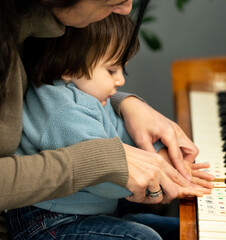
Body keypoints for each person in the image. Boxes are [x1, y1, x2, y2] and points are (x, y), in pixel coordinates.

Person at [0, 0, 209, 238]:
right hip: (49, 221)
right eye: (112, 71)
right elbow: (106, 174)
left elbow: (121, 137)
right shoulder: (63, 112)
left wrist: (162, 155)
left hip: (86, 209)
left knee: (180, 232)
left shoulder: (87, 94)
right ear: (69, 67)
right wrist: (162, 178)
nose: (128, 7)